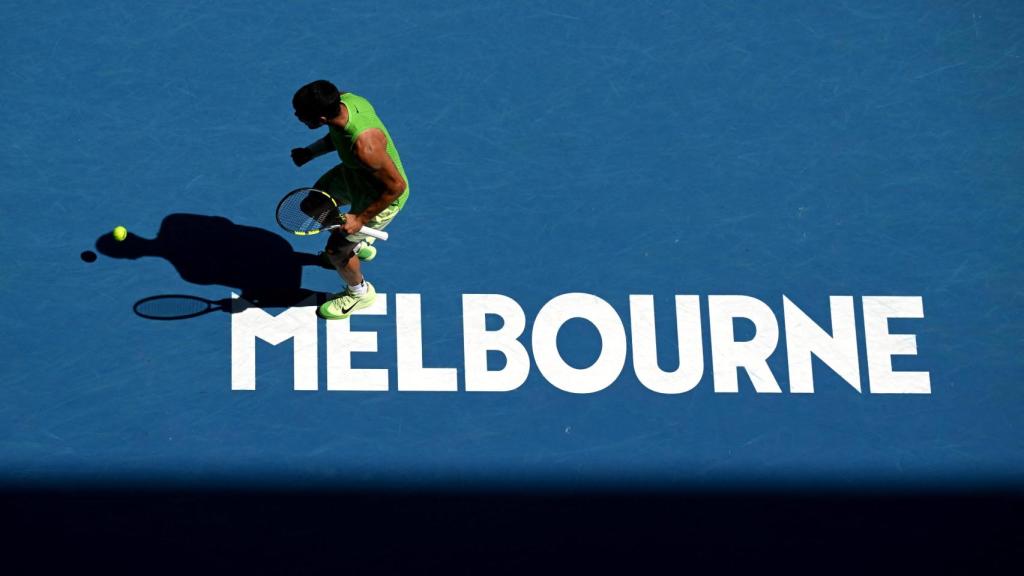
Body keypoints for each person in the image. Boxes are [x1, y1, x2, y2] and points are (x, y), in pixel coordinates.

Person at [291, 80, 409, 319]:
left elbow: (396, 187)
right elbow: (336, 136)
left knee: (336, 250)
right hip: (354, 174)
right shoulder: (347, 101)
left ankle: (359, 293)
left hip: (381, 197)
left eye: (301, 115)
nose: (297, 117)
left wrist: (360, 218)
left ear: (321, 119)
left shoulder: (365, 146)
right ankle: (355, 243)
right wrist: (310, 152)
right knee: (313, 204)